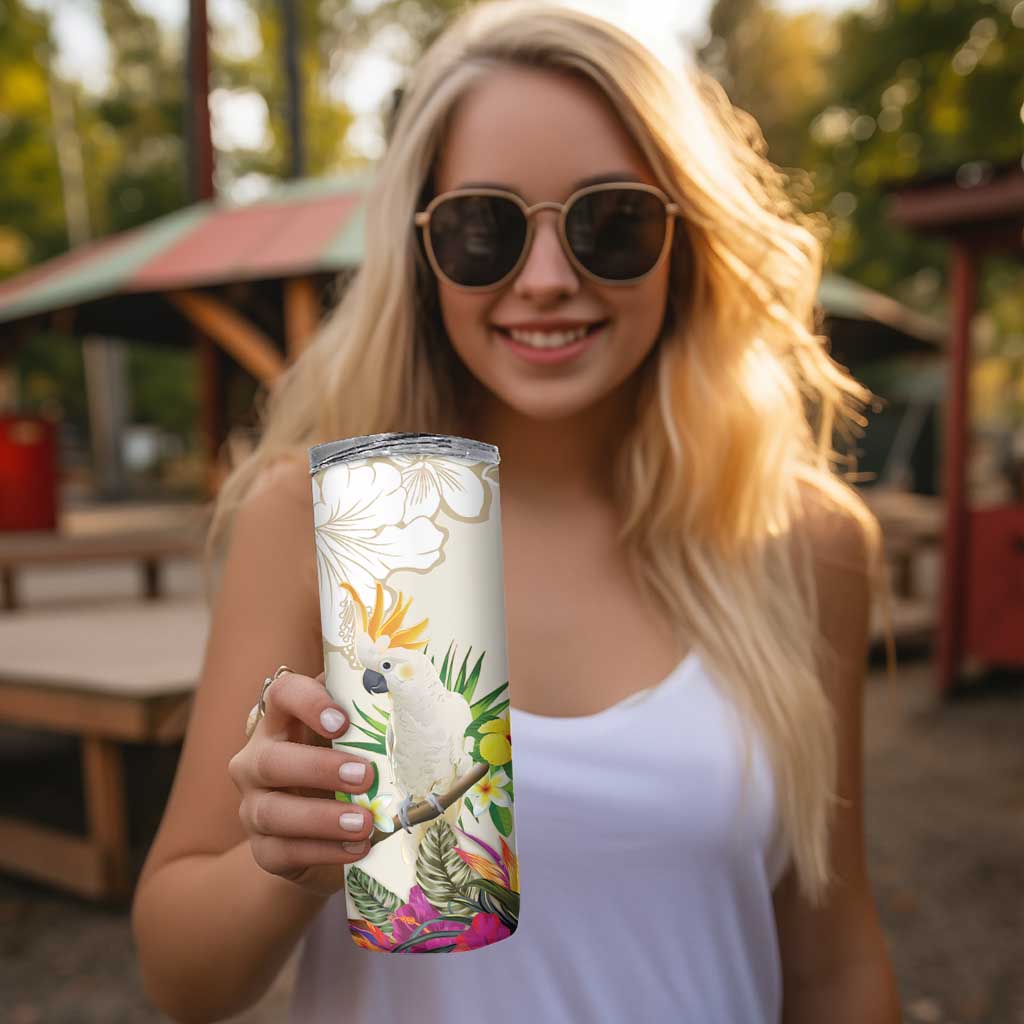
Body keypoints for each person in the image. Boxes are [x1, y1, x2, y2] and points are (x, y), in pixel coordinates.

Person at [131, 2, 902, 1021]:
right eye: (483, 228)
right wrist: (285, 860)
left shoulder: (803, 542)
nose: (546, 280)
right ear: (420, 249)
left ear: (688, 241)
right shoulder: (317, 520)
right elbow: (180, 976)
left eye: (612, 223)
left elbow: (833, 962)